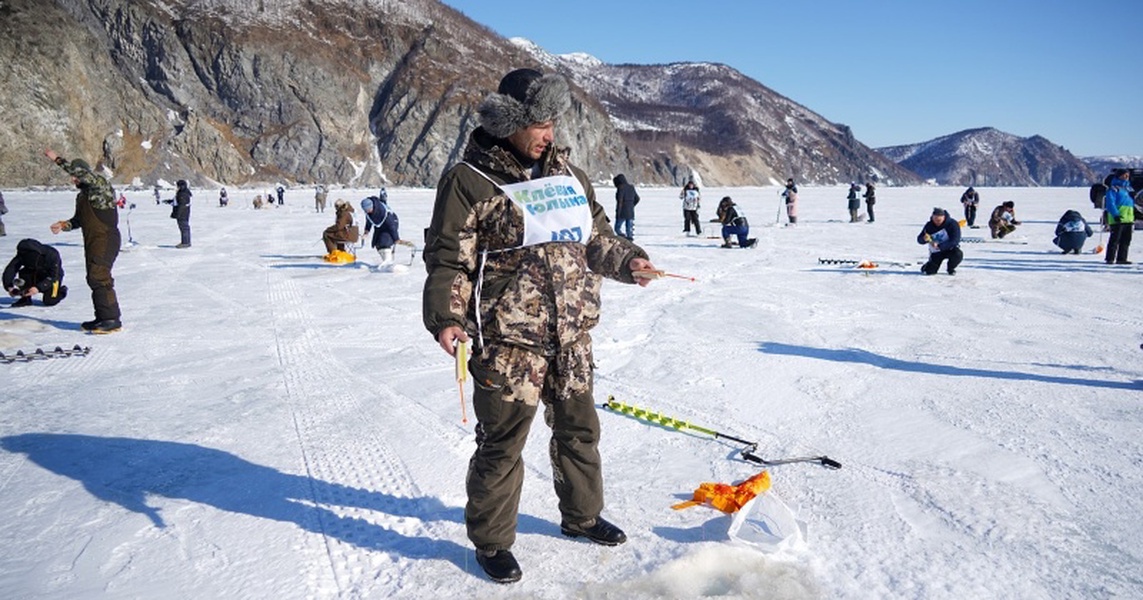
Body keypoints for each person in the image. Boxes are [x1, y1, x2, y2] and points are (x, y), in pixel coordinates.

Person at [422, 68, 655, 584]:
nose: (550, 134)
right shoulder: (469, 180)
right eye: (540, 124)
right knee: (502, 444)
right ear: (511, 124)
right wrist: (447, 318)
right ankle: (491, 541)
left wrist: (628, 261)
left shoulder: (568, 176)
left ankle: (582, 516)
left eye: (553, 122)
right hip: (507, 341)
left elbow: (597, 237)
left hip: (570, 334)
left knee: (579, 431)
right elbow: (449, 261)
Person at [45, 149, 122, 333]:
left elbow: (83, 174)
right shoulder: (82, 196)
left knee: (99, 276)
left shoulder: (100, 186)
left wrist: (57, 159)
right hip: (93, 240)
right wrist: (64, 225)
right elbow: (79, 220)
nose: (73, 180)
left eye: (75, 176)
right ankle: (102, 317)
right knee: (93, 277)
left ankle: (111, 320)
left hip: (106, 238)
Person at [3, 238, 67, 307]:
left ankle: (62, 291)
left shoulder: (51, 254)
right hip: (33, 274)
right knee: (24, 272)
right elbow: (11, 269)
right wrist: (9, 286)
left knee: (50, 301)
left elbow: (54, 276)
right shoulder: (22, 255)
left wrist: (38, 288)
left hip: (51, 278)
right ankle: (25, 298)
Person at [1103, 168, 1135, 264]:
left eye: (1127, 175)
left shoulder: (1128, 189)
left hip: (1128, 219)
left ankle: (1122, 258)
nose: (1126, 177)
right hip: (1118, 218)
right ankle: (1110, 258)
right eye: (1124, 175)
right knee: (1115, 240)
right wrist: (1115, 214)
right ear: (1118, 176)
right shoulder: (1113, 189)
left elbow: (1131, 204)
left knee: (1126, 240)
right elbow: (1110, 203)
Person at [917, 207, 963, 275]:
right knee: (930, 272)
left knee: (958, 254)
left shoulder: (952, 224)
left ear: (944, 217)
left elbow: (955, 240)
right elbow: (919, 239)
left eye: (939, 220)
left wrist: (940, 246)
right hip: (936, 252)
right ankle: (926, 267)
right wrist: (924, 239)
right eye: (935, 219)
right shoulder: (929, 225)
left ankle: (951, 268)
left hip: (950, 249)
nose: (937, 222)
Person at [361, 194, 400, 263]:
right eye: (365, 210)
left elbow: (392, 227)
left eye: (367, 210)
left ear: (371, 207)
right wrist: (366, 231)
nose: (367, 212)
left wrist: (396, 239)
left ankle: (389, 261)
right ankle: (386, 261)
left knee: (384, 242)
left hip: (391, 223)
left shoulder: (382, 211)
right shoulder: (369, 213)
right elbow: (369, 221)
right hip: (380, 227)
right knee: (377, 243)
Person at [612, 173, 639, 240]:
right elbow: (637, 199)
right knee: (629, 230)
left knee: (617, 228)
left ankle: (623, 238)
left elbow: (620, 201)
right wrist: (631, 205)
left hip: (622, 212)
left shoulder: (621, 188)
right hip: (631, 212)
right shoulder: (631, 187)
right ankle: (630, 242)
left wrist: (618, 213)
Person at [174, 179, 192, 248]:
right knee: (184, 227)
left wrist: (178, 214)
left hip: (183, 214)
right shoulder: (184, 192)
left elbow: (182, 205)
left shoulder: (182, 194)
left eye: (178, 186)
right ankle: (185, 241)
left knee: (184, 227)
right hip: (185, 213)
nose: (177, 187)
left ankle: (185, 242)